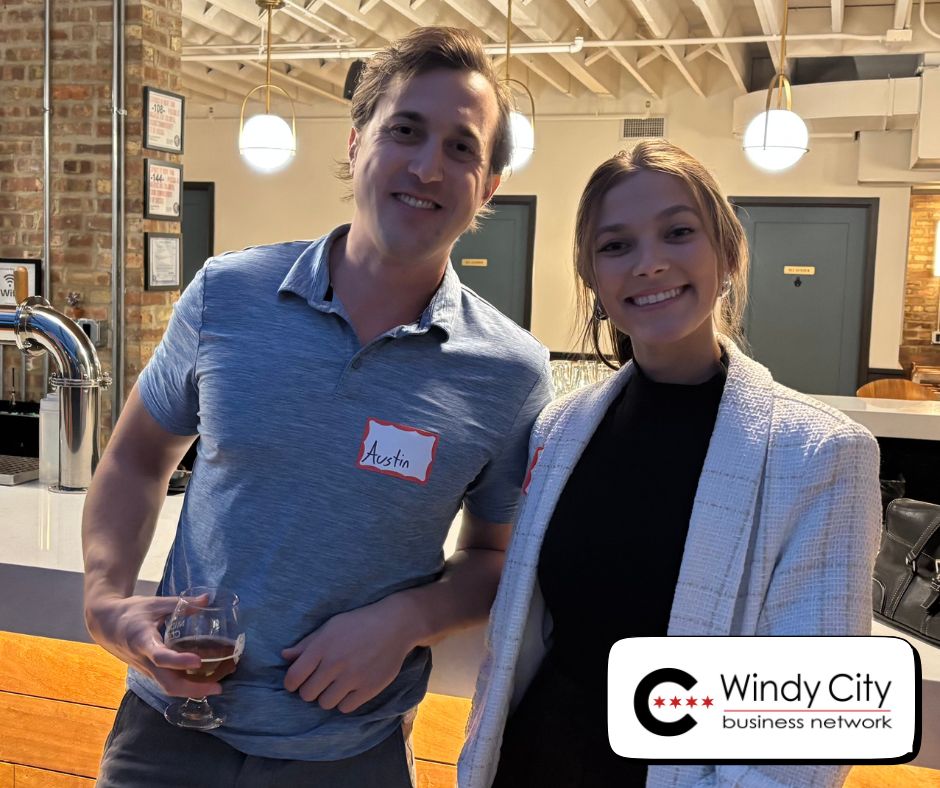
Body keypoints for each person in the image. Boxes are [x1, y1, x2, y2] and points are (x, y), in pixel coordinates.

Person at [82, 27, 552, 787]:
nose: (428, 166)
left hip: (349, 751)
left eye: (462, 147)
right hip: (168, 731)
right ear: (358, 141)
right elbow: (137, 458)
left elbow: (495, 557)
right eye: (406, 130)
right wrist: (105, 597)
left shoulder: (510, 373)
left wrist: (409, 619)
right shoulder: (228, 294)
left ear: (489, 186)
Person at [458, 140, 882, 788]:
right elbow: (526, 635)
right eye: (616, 245)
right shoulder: (561, 428)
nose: (649, 263)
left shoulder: (818, 454)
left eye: (678, 232)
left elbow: (808, 738)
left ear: (729, 253)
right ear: (593, 279)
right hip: (535, 758)